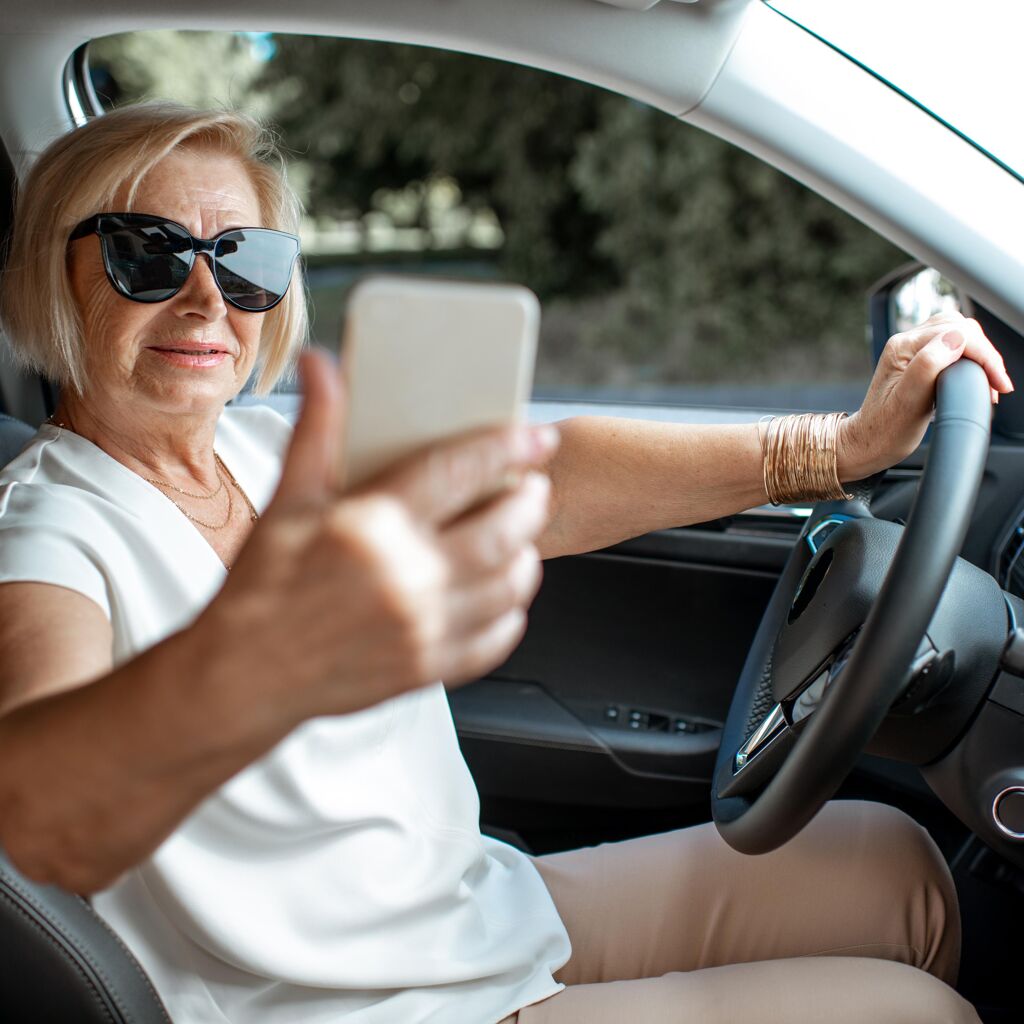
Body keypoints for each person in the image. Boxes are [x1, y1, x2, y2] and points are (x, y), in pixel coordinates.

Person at [0, 103, 1010, 1024]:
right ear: (57, 270)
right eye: (148, 252)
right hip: (362, 1008)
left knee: (896, 864)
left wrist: (833, 449)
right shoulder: (48, 528)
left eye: (243, 254)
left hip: (472, 913)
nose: (206, 294)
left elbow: (548, 481)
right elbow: (40, 809)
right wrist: (253, 665)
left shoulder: (264, 445)